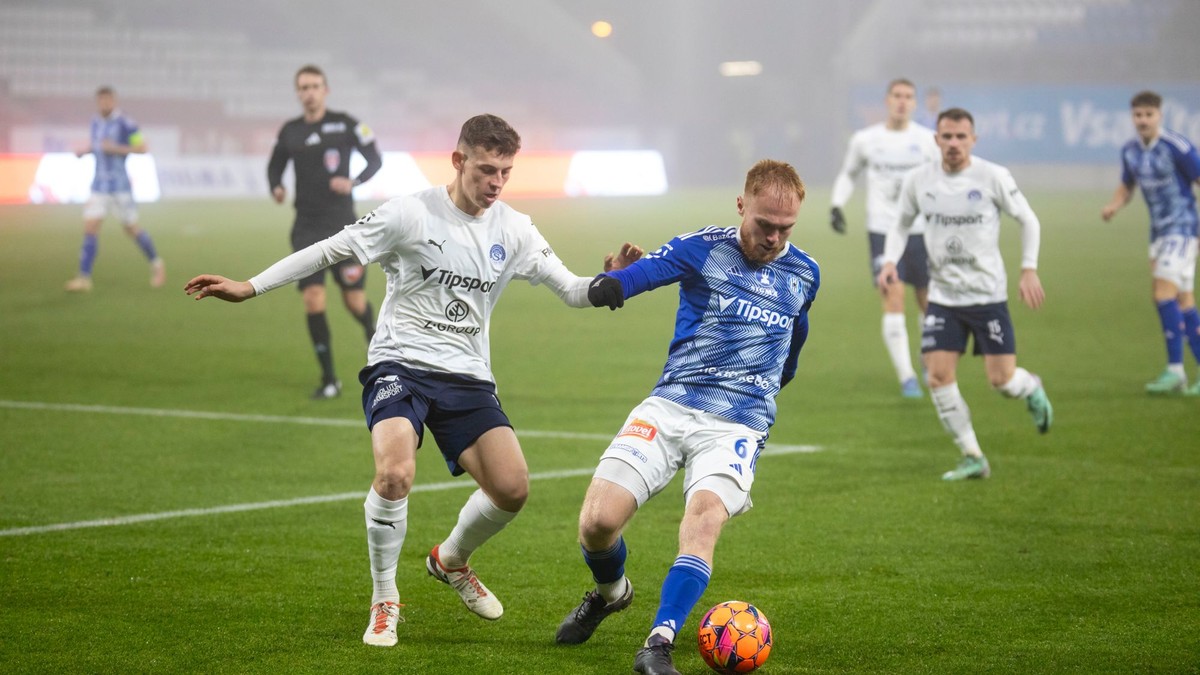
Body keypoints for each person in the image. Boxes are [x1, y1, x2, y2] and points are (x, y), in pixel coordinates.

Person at [186, 114, 642, 649]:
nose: (496, 183)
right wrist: (250, 287)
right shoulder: (409, 213)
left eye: (506, 172)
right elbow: (331, 249)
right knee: (396, 473)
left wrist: (617, 278)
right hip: (398, 365)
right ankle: (385, 602)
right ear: (458, 160)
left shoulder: (514, 229)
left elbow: (572, 289)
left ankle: (450, 560)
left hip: (468, 376)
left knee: (512, 489)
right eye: (486, 169)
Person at [553, 160, 819, 675]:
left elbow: (795, 337)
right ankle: (611, 593)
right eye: (765, 224)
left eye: (785, 228)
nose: (773, 237)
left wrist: (766, 393)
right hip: (672, 402)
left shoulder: (805, 272)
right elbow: (639, 276)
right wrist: (612, 282)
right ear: (742, 205)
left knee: (702, 522)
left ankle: (659, 641)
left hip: (738, 423)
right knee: (597, 524)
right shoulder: (702, 248)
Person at [878, 108, 1053, 481]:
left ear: (973, 140)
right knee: (939, 377)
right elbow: (900, 223)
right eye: (947, 136)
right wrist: (890, 261)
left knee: (1002, 381)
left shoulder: (992, 177)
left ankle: (1030, 386)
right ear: (936, 140)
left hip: (987, 295)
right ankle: (972, 455)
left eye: (961, 137)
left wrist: (1029, 268)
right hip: (944, 297)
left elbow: (1029, 219)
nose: (954, 143)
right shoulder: (918, 180)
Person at [267, 64, 384, 399]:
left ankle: (371, 331)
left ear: (325, 90)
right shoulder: (290, 131)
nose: (309, 92)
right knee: (313, 298)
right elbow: (275, 163)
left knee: (354, 301)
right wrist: (275, 185)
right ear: (298, 92)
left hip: (343, 227)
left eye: (315, 86)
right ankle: (330, 379)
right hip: (306, 227)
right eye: (303, 87)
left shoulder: (346, 124)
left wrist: (355, 181)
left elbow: (374, 158)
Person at [830, 78, 939, 398]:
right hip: (882, 229)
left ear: (915, 103)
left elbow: (939, 180)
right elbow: (849, 173)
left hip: (920, 231)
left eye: (908, 96)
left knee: (927, 302)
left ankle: (925, 357)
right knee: (893, 297)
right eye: (897, 96)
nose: (902, 102)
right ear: (887, 101)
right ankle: (907, 377)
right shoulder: (866, 140)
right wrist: (837, 204)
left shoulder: (927, 141)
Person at [1101, 90, 1200, 395]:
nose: (1143, 120)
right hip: (1158, 232)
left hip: (1182, 228)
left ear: (1160, 115)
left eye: (1148, 115)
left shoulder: (1177, 146)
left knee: (1162, 294)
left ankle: (1175, 371)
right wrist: (1115, 205)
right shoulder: (1130, 150)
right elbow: (1127, 183)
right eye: (1138, 115)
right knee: (1183, 300)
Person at [65, 86, 165, 292]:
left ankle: (156, 264)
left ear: (114, 101)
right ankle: (84, 278)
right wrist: (85, 151)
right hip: (98, 186)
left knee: (131, 229)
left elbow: (142, 148)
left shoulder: (126, 124)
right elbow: (98, 146)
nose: (104, 104)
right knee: (90, 228)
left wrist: (117, 149)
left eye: (108, 100)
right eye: (101, 100)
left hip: (120, 187)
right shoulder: (95, 122)